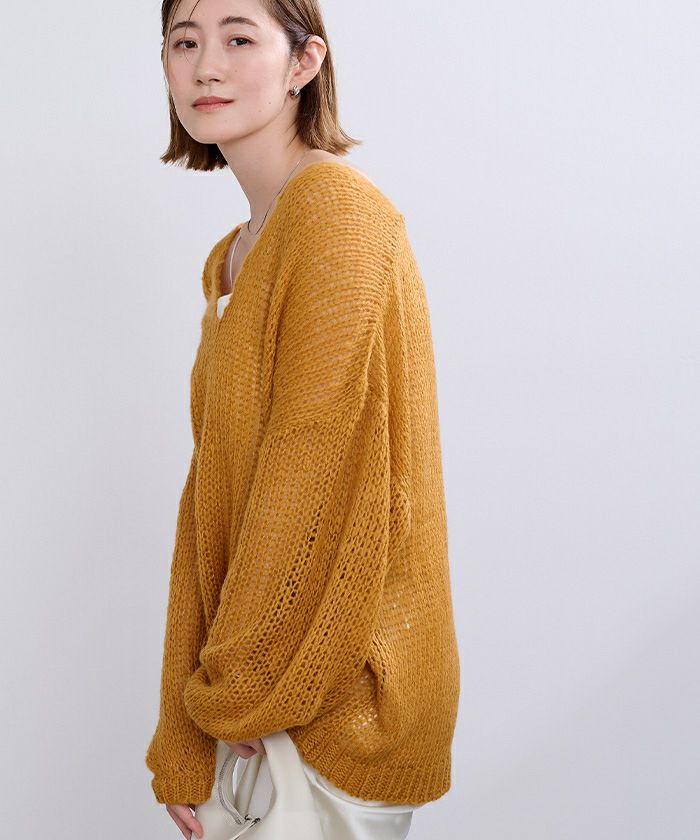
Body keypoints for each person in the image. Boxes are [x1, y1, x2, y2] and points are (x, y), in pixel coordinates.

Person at [145, 1, 461, 838]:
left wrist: (235, 693)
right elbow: (212, 505)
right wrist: (185, 732)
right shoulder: (236, 253)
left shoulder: (335, 215)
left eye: (238, 38)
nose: (206, 66)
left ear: (304, 63)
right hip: (258, 693)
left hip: (336, 699)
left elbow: (310, 473)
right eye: (184, 42)